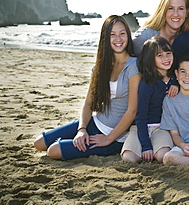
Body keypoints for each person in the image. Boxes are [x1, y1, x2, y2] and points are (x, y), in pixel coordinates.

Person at [33, 15, 141, 160]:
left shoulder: (133, 66)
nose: (118, 39)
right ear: (105, 38)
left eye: (122, 34)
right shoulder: (100, 67)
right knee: (39, 143)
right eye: (112, 35)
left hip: (114, 137)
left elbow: (132, 111)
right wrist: (82, 130)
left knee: (54, 150)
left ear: (128, 35)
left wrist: (108, 139)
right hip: (94, 123)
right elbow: (88, 104)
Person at [121, 36, 177, 163]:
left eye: (168, 54)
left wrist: (176, 84)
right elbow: (140, 116)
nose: (166, 58)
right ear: (151, 59)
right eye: (160, 55)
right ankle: (143, 146)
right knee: (129, 158)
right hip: (140, 127)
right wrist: (146, 145)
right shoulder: (146, 84)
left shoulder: (175, 78)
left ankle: (156, 147)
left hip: (161, 128)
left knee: (162, 156)